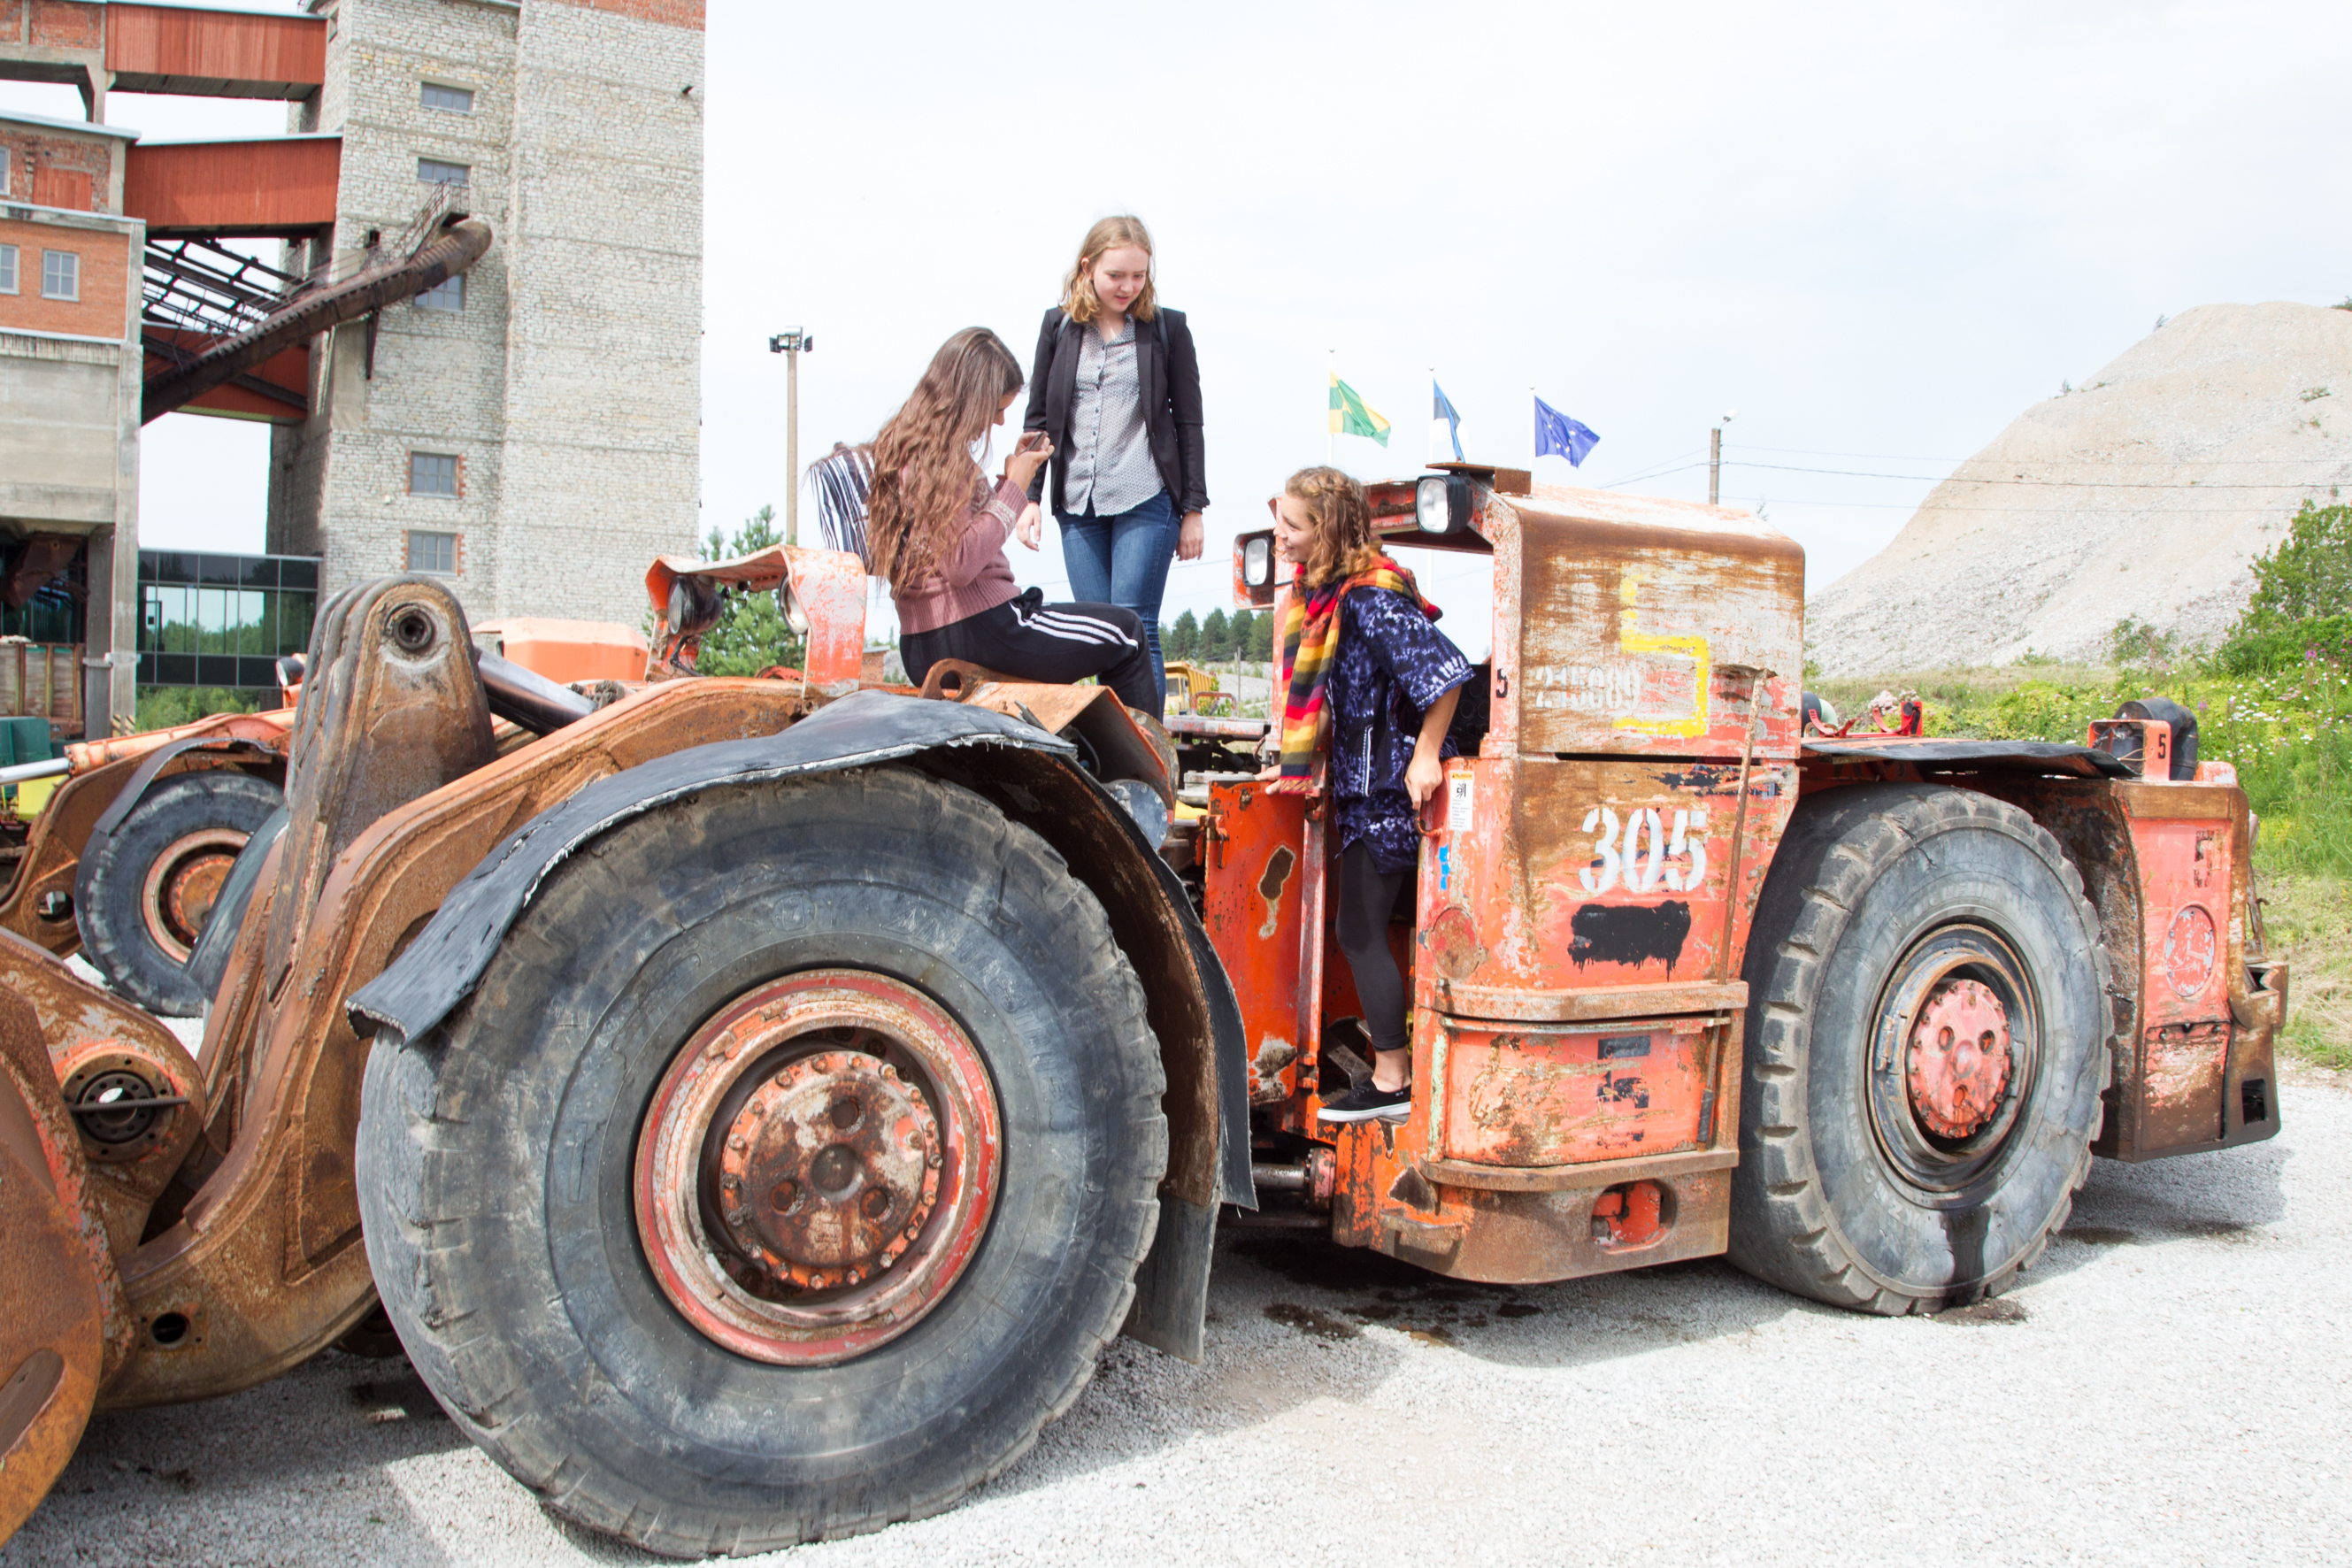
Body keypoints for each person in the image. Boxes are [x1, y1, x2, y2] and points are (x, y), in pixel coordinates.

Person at [1262, 466, 1473, 1125]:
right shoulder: (1329, 598)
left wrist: (1427, 753)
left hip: (1386, 794)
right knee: (1361, 931)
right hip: (1360, 789)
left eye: (1292, 524)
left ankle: (1391, 1080)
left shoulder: (1370, 600)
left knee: (1359, 932)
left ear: (1324, 529)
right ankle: (1392, 1072)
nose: (1280, 534)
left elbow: (1445, 675)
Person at [870, 327, 1159, 713]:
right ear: (970, 399)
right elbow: (960, 563)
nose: (1001, 421)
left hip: (919, 641)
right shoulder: (944, 459)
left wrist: (1007, 479)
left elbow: (950, 542)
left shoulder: (906, 449)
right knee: (1128, 633)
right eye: (996, 408)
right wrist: (1017, 488)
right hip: (982, 627)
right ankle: (1146, 774)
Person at [1018, 215, 1208, 710]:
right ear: (1088, 268)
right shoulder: (1058, 327)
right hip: (1077, 499)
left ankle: (1150, 753)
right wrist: (1028, 497)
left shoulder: (1167, 330)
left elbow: (1190, 425)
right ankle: (1118, 758)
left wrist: (1193, 509)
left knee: (1134, 622)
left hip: (1147, 495)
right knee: (1101, 635)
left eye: (1138, 276)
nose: (1128, 287)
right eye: (1116, 275)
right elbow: (1037, 419)